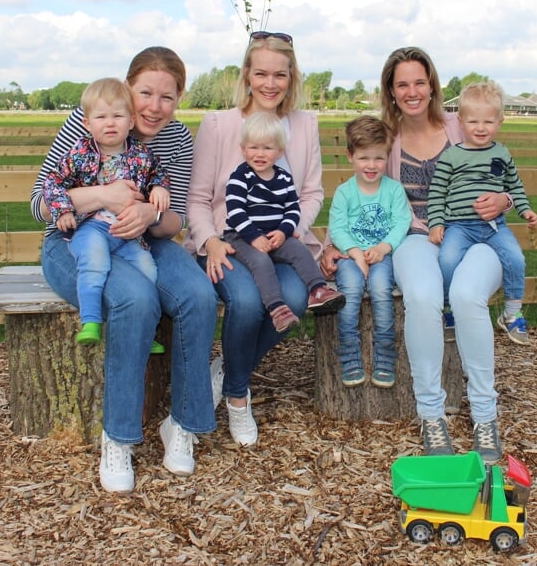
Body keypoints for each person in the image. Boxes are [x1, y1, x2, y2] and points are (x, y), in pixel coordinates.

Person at [31, 47, 219, 492]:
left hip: (143, 240)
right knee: (134, 299)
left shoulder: (176, 140)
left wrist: (150, 217)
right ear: (128, 89)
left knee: (198, 295)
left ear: (179, 100)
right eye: (145, 93)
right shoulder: (92, 120)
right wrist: (104, 196)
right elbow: (39, 203)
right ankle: (117, 437)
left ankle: (183, 426)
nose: (155, 107)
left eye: (167, 97)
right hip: (75, 240)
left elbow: (179, 220)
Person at [320, 47, 513, 465]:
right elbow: (362, 199)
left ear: (432, 85)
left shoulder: (459, 125)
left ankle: (484, 415)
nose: (412, 91)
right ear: (391, 89)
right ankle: (431, 414)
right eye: (402, 83)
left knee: (466, 297)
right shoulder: (386, 137)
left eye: (419, 82)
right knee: (423, 297)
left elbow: (503, 176)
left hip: (477, 234)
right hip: (414, 238)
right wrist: (336, 243)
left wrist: (503, 200)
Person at [188, 31, 327, 447]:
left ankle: (231, 372)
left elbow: (312, 193)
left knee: (297, 300)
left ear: (291, 77)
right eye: (261, 73)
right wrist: (209, 241)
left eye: (279, 75)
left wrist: (287, 229)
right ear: (247, 74)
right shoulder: (219, 124)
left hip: (286, 240)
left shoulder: (305, 126)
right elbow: (197, 198)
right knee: (247, 302)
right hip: (230, 240)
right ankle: (237, 397)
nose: (270, 83)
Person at [42, 77, 170, 354]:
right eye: (101, 117)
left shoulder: (142, 155)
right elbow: (53, 183)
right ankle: (91, 321)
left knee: (148, 269)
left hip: (128, 233)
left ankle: (146, 331)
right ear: (88, 123)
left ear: (131, 120)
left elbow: (158, 174)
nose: (110, 123)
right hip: (93, 227)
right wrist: (63, 210)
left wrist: (159, 187)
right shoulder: (79, 154)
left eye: (117, 116)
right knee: (94, 262)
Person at [427, 81, 537, 345]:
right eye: (473, 121)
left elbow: (515, 185)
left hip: (494, 226)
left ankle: (511, 314)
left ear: (500, 122)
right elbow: (437, 192)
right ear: (460, 121)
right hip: (459, 226)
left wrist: (525, 209)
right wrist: (436, 223)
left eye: (488, 122)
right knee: (447, 258)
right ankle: (449, 309)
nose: (480, 128)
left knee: (515, 257)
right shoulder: (451, 156)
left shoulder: (501, 153)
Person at [223, 111, 345, 333]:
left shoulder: (284, 179)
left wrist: (284, 231)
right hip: (242, 237)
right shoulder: (240, 178)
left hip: (274, 234)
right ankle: (277, 308)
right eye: (253, 147)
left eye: (267, 148)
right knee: (261, 261)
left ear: (279, 151)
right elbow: (235, 213)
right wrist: (254, 237)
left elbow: (292, 209)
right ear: (243, 149)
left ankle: (318, 289)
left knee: (299, 250)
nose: (260, 154)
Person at [327, 115, 411, 388]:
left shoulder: (393, 190)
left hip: (381, 255)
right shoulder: (345, 192)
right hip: (351, 257)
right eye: (364, 158)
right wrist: (354, 252)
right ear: (350, 155)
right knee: (350, 290)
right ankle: (349, 352)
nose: (372, 166)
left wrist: (383, 247)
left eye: (378, 158)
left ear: (387, 155)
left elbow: (401, 222)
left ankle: (385, 353)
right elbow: (337, 228)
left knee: (380, 290)